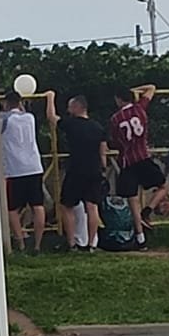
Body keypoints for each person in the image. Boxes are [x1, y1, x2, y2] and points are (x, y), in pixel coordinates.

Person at [109, 84, 168, 248]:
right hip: (143, 156)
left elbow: (115, 142)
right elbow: (152, 88)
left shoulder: (115, 119)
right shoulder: (140, 109)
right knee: (163, 186)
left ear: (118, 99)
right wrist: (137, 89)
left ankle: (140, 238)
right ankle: (147, 210)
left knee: (132, 199)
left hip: (127, 161)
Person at [47, 91, 106, 250]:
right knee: (92, 206)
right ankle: (91, 243)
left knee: (66, 205)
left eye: (70, 106)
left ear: (76, 107)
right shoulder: (97, 127)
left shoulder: (71, 124)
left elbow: (52, 117)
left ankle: (72, 242)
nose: (68, 110)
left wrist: (50, 98)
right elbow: (103, 150)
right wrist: (103, 167)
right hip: (94, 169)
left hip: (76, 169)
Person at [0, 90, 46, 252]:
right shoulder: (30, 118)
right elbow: (23, 112)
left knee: (12, 208)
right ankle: (38, 244)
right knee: (37, 206)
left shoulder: (4, 119)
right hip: (34, 166)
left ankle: (19, 242)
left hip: (15, 169)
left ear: (5, 103)